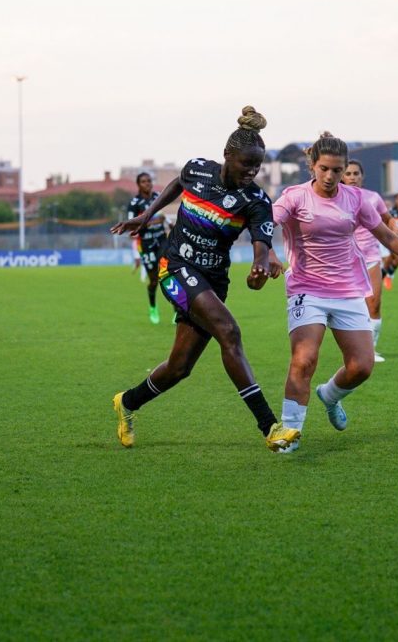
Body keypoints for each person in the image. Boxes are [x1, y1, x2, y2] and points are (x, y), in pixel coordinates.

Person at [109, 106, 300, 453]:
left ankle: (127, 402)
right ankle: (270, 427)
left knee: (179, 367)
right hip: (175, 269)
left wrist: (259, 268)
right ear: (227, 155)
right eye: (246, 164)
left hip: (213, 282)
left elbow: (261, 245)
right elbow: (178, 183)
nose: (251, 172)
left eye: (257, 167)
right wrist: (148, 215)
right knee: (229, 332)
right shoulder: (198, 169)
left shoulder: (256, 200)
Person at [272, 132, 398, 453]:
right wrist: (266, 252)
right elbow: (267, 222)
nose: (330, 176)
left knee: (362, 366)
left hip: (348, 290)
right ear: (312, 165)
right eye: (324, 168)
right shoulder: (294, 196)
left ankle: (329, 395)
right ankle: (289, 431)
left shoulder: (355, 199)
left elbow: (387, 237)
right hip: (306, 289)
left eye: (337, 170)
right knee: (305, 358)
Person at [342, 160, 398, 363]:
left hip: (370, 258)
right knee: (349, 309)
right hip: (344, 261)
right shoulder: (336, 197)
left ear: (362, 176)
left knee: (374, 305)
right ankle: (352, 349)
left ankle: (370, 350)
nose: (352, 177)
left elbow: (388, 218)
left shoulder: (373, 197)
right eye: (348, 173)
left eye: (356, 173)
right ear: (342, 176)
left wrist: (395, 226)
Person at [126, 172, 169, 324]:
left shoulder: (158, 196)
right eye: (144, 181)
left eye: (149, 181)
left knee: (168, 273)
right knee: (153, 280)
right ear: (138, 184)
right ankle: (152, 307)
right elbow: (132, 226)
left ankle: (178, 309)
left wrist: (167, 222)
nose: (147, 183)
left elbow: (163, 216)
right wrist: (153, 221)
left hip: (161, 239)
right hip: (146, 243)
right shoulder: (134, 203)